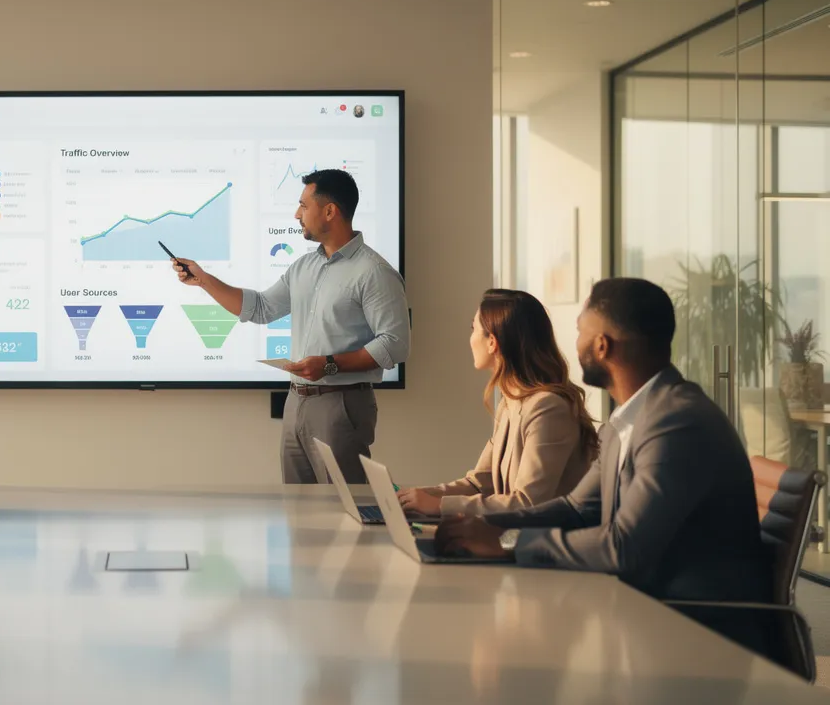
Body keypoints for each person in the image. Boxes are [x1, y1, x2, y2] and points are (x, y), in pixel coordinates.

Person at [435, 278, 771, 606]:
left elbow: (623, 546)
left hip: (696, 624)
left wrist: (508, 542)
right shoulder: (625, 421)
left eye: (581, 331)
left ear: (602, 346)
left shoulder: (676, 422)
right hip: (641, 603)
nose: (575, 341)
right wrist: (481, 526)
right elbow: (576, 509)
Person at [171, 169, 409, 483]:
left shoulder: (373, 271)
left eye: (303, 206)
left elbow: (394, 343)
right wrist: (203, 279)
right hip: (296, 402)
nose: (297, 214)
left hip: (341, 404)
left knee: (345, 511)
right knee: (300, 513)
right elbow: (260, 308)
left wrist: (329, 365)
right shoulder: (304, 266)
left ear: (329, 211)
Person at [396, 289, 597, 517]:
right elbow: (480, 482)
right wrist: (418, 496)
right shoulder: (511, 402)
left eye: (474, 329)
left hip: (538, 546)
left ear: (492, 342)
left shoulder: (548, 408)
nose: (470, 338)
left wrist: (439, 506)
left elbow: (529, 503)